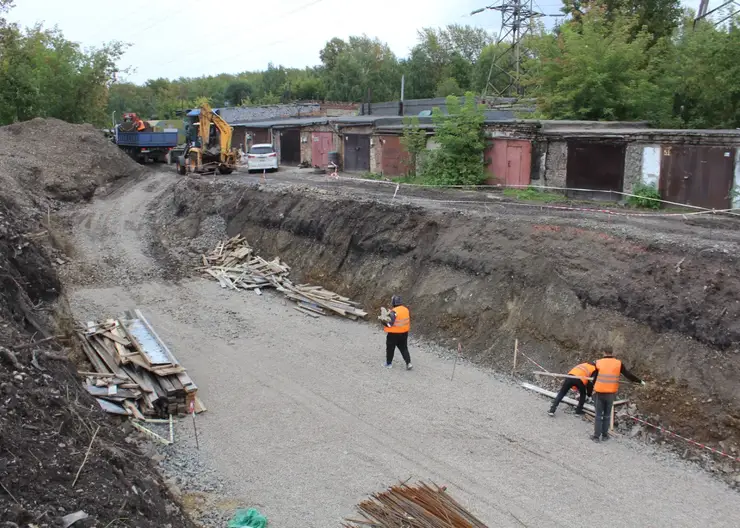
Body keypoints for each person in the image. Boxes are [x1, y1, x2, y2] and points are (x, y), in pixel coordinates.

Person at [591, 349, 645, 442]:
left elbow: (594, 378)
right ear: (612, 353)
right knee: (607, 415)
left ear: (604, 353)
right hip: (610, 394)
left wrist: (592, 389)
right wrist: (640, 381)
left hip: (599, 392)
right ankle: (604, 436)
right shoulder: (618, 363)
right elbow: (628, 375)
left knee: (598, 415)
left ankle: (596, 437)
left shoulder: (599, 362)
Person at [384, 295, 412, 370]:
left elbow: (390, 324)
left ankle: (388, 363)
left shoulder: (394, 312)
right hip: (404, 333)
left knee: (390, 348)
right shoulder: (406, 309)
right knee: (404, 348)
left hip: (393, 334)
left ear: (394, 302)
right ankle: (408, 363)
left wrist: (383, 321)